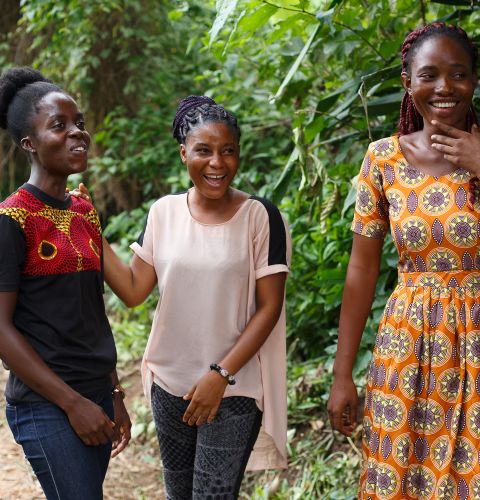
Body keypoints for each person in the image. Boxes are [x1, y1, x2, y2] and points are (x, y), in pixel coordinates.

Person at [94, 95, 291, 499]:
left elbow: (270, 307)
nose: (217, 163)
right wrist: (88, 229)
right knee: (178, 493)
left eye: (228, 151)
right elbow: (133, 291)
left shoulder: (260, 216)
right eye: (204, 151)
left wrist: (220, 376)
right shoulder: (163, 212)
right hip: (169, 384)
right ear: (184, 152)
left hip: (232, 390)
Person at [327, 22, 480, 498]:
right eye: (429, 74)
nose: (444, 87)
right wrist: (341, 374)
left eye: (458, 74)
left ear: (474, 80)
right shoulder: (384, 159)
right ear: (407, 83)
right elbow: (362, 270)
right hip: (409, 346)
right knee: (405, 475)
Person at [0, 67, 131, 500]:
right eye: (60, 125)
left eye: (80, 123)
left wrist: (111, 391)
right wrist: (73, 404)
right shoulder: (11, 220)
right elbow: (1, 330)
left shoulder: (82, 210)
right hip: (47, 404)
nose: (79, 133)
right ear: (29, 144)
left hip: (94, 394)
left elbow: (91, 309)